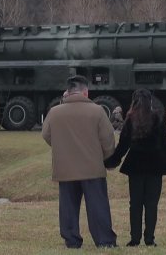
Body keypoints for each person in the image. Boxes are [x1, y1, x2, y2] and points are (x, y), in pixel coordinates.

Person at [42, 75, 117, 249]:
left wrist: (61, 147)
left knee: (68, 206)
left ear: (67, 92)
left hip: (65, 167)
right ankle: (105, 241)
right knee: (97, 206)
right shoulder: (97, 111)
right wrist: (106, 158)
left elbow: (46, 135)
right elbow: (107, 139)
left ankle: (72, 240)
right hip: (92, 167)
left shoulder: (55, 112)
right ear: (86, 92)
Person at [104, 89, 166, 247]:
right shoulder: (158, 118)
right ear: (150, 101)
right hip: (155, 166)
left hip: (135, 165)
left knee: (135, 203)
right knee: (151, 203)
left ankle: (135, 239)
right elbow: (165, 145)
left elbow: (123, 146)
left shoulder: (130, 119)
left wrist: (111, 162)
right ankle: (149, 239)